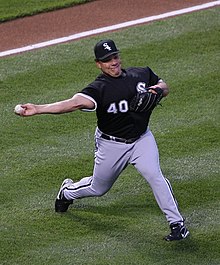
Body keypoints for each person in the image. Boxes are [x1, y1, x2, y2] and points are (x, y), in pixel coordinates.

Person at [16, 39, 189, 241]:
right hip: (111, 145)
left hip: (142, 140)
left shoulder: (140, 74)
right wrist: (38, 109)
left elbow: (163, 86)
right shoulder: (99, 89)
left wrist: (158, 90)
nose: (113, 62)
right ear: (99, 64)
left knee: (155, 176)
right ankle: (67, 191)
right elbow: (73, 104)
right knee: (99, 188)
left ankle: (177, 224)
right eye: (107, 60)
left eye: (115, 57)